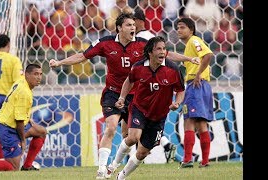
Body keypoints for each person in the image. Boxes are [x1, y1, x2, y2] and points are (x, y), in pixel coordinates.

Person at [49, 12, 197, 179]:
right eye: (128, 25)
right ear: (119, 28)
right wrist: (60, 62)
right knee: (111, 126)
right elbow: (82, 56)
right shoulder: (106, 43)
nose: (133, 27)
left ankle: (115, 167)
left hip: (136, 96)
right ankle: (102, 170)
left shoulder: (143, 44)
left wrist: (188, 59)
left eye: (134, 25)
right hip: (113, 93)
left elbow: (166, 55)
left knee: (130, 137)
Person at [114, 36, 185, 180]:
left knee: (142, 153)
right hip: (139, 109)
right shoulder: (139, 67)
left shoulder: (173, 69)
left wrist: (177, 103)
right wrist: (122, 97)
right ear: (150, 52)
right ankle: (113, 165)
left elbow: (180, 90)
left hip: (158, 117)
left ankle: (120, 177)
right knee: (133, 137)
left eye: (164, 49)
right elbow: (129, 81)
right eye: (158, 49)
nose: (162, 52)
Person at [0, 64, 47, 171]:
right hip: (8, 129)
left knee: (41, 131)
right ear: (27, 75)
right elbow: (19, 121)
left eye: (40, 74)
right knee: (13, 168)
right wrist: (23, 141)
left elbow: (19, 112)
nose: (39, 77)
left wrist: (28, 118)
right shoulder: (24, 92)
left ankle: (27, 166)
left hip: (11, 124)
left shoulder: (21, 81)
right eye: (35, 74)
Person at [176, 17, 214, 168]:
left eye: (182, 27)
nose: (179, 30)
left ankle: (187, 160)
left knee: (189, 122)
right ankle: (205, 162)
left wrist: (198, 74)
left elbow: (208, 55)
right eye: (177, 27)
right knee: (201, 123)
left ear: (191, 30)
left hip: (196, 84)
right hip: (203, 86)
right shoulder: (189, 46)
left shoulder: (194, 40)